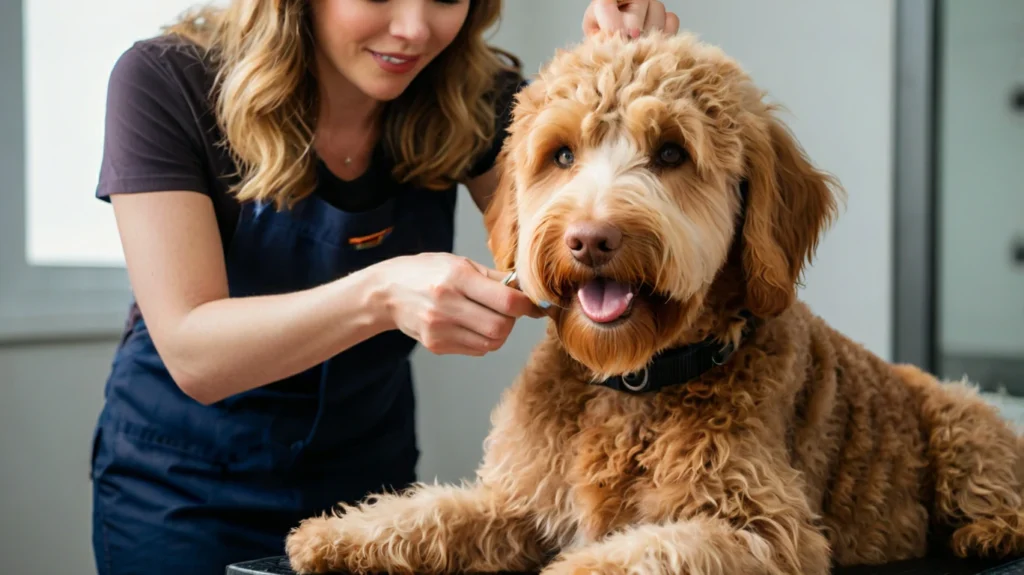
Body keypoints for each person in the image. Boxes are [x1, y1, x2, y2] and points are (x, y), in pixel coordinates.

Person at [87, 1, 679, 573]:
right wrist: (382, 295)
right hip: (184, 491)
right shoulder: (165, 82)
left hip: (368, 477)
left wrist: (615, 69)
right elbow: (194, 353)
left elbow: (582, 233)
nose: (414, 29)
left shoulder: (471, 94)